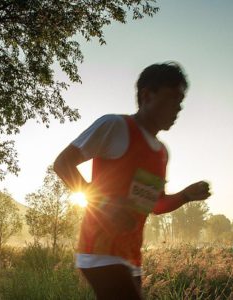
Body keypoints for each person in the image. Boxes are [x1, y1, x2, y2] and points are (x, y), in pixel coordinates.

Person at [53, 62, 212, 299]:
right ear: (147, 95)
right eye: (172, 98)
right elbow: (63, 164)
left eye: (181, 101)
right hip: (100, 252)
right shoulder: (115, 126)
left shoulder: (161, 153)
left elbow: (153, 206)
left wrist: (186, 195)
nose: (178, 108)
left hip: (131, 258)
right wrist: (104, 207)